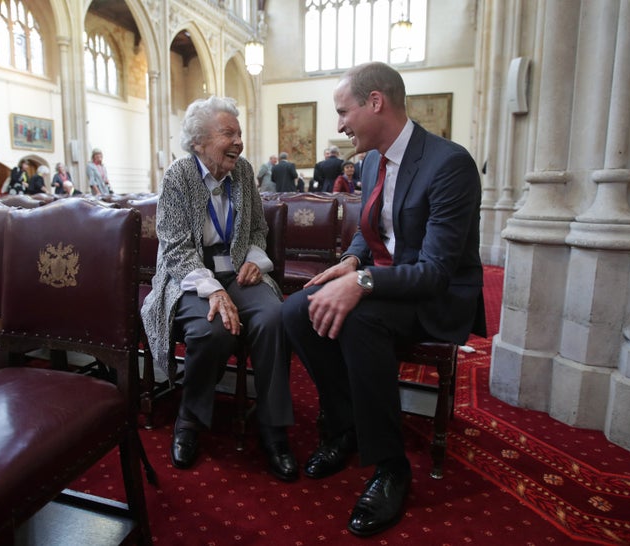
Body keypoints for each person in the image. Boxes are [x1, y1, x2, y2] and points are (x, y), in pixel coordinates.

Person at [282, 62, 485, 537]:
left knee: (357, 320)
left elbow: (435, 273)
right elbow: (371, 230)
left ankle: (392, 466)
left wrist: (362, 284)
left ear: (376, 103)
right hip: (385, 283)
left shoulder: (450, 164)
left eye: (342, 111)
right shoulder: (373, 159)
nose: (338, 126)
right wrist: (352, 263)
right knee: (295, 310)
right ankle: (348, 425)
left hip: (432, 297)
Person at [140, 96, 298, 482]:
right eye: (228, 133)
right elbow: (175, 248)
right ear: (198, 141)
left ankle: (274, 431)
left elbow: (258, 227)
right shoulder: (178, 176)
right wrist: (212, 290)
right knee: (210, 329)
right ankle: (189, 421)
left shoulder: (243, 172)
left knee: (275, 317)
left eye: (239, 133)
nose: (239, 142)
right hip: (189, 277)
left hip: (240, 271)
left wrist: (255, 260)